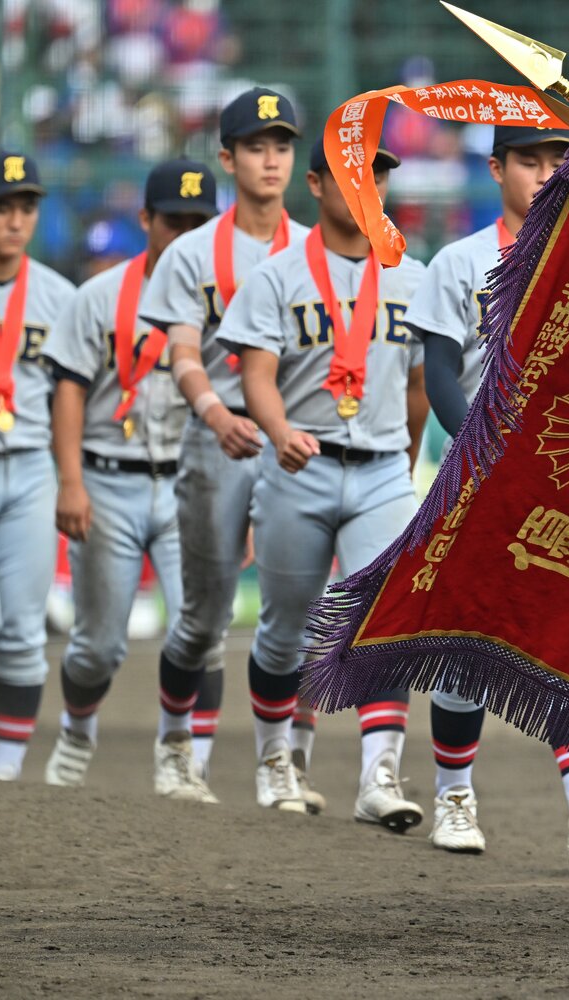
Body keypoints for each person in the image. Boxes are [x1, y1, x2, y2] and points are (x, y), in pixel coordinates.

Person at [406, 125, 569, 864]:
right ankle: (453, 794)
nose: (543, 173)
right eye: (527, 160)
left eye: (555, 160)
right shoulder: (460, 260)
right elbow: (440, 373)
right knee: (466, 642)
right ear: (496, 168)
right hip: (482, 476)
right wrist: (481, 448)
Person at [218, 136, 428, 826]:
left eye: (379, 176)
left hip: (381, 469)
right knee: (285, 627)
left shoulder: (411, 276)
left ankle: (379, 776)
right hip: (297, 468)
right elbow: (256, 376)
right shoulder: (277, 276)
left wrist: (405, 460)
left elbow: (420, 386)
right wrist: (278, 432)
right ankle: (276, 759)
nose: (368, 188)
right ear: (314, 184)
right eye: (350, 176)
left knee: (383, 622)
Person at [138, 87, 311, 803]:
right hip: (219, 438)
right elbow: (182, 353)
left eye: (282, 146)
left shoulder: (312, 249)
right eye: (255, 146)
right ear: (227, 158)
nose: (271, 159)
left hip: (291, 438)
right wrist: (214, 415)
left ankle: (278, 762)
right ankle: (175, 744)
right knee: (205, 615)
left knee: (293, 610)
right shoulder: (191, 252)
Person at [39, 159, 216, 795]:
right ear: (146, 220)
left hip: (190, 483)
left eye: (198, 223)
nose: (185, 234)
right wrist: (70, 482)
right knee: (98, 648)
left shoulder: (225, 298)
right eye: (173, 221)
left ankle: (178, 751)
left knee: (201, 630)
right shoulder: (99, 296)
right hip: (109, 479)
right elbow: (69, 390)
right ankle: (77, 729)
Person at [0, 150, 77, 781]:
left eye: (27, 207)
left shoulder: (59, 296)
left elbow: (73, 396)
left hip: (32, 469)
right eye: (0, 206)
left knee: (21, 632)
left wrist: (72, 479)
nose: (16, 220)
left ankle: (4, 779)